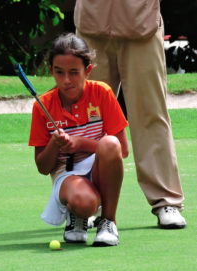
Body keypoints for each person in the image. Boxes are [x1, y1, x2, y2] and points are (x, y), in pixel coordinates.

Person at [74, 0, 186, 229]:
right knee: (87, 117)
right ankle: (83, 203)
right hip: (92, 21)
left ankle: (166, 201)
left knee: (151, 113)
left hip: (142, 22)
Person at [29, 33, 129, 246]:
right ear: (51, 71)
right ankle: (78, 214)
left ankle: (108, 222)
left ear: (88, 70)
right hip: (66, 174)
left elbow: (123, 150)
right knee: (85, 202)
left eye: (74, 72)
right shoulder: (42, 106)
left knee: (110, 143)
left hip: (99, 167)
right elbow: (43, 167)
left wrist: (81, 143)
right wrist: (54, 145)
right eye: (59, 72)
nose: (66, 80)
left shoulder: (102, 93)